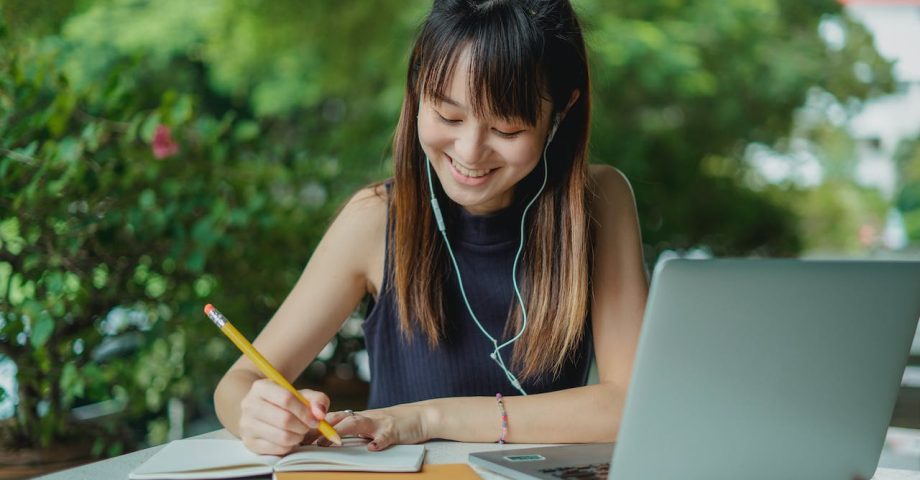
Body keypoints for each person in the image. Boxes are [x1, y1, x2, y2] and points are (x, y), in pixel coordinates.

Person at [213, 0, 648, 455]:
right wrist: (261, 414)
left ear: (562, 109)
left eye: (506, 129)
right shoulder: (376, 218)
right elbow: (238, 383)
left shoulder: (599, 202)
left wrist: (426, 418)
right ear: (418, 88)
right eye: (448, 116)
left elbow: (628, 404)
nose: (470, 151)